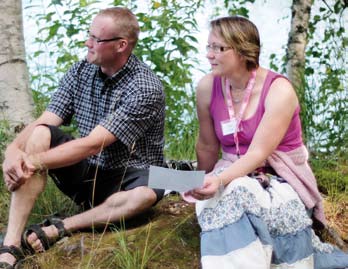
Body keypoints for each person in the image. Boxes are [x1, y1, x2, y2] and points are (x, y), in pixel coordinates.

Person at [0, 7, 165, 268]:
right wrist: (13, 151)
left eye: (96, 39)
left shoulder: (145, 87)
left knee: (148, 193)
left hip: (130, 176)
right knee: (41, 133)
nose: (88, 43)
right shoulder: (81, 70)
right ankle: (10, 245)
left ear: (121, 45)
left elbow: (93, 144)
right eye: (88, 35)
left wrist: (32, 162)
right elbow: (47, 119)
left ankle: (61, 227)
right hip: (88, 173)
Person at [184, 16, 348, 268]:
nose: (209, 55)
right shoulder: (207, 86)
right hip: (231, 170)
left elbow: (259, 153)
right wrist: (200, 182)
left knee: (237, 190)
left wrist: (218, 180)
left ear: (243, 50)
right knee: (225, 194)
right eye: (208, 47)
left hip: (279, 176)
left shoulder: (279, 90)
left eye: (218, 48)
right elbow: (207, 146)